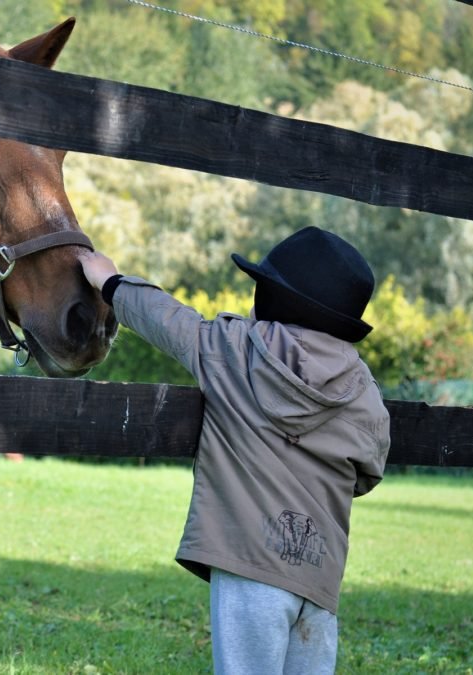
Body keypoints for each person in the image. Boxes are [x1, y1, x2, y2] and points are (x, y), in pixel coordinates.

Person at [79, 226, 391, 674]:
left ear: (275, 300)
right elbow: (369, 469)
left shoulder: (235, 351)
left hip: (249, 570)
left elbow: (167, 320)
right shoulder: (362, 390)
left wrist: (111, 282)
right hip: (318, 576)